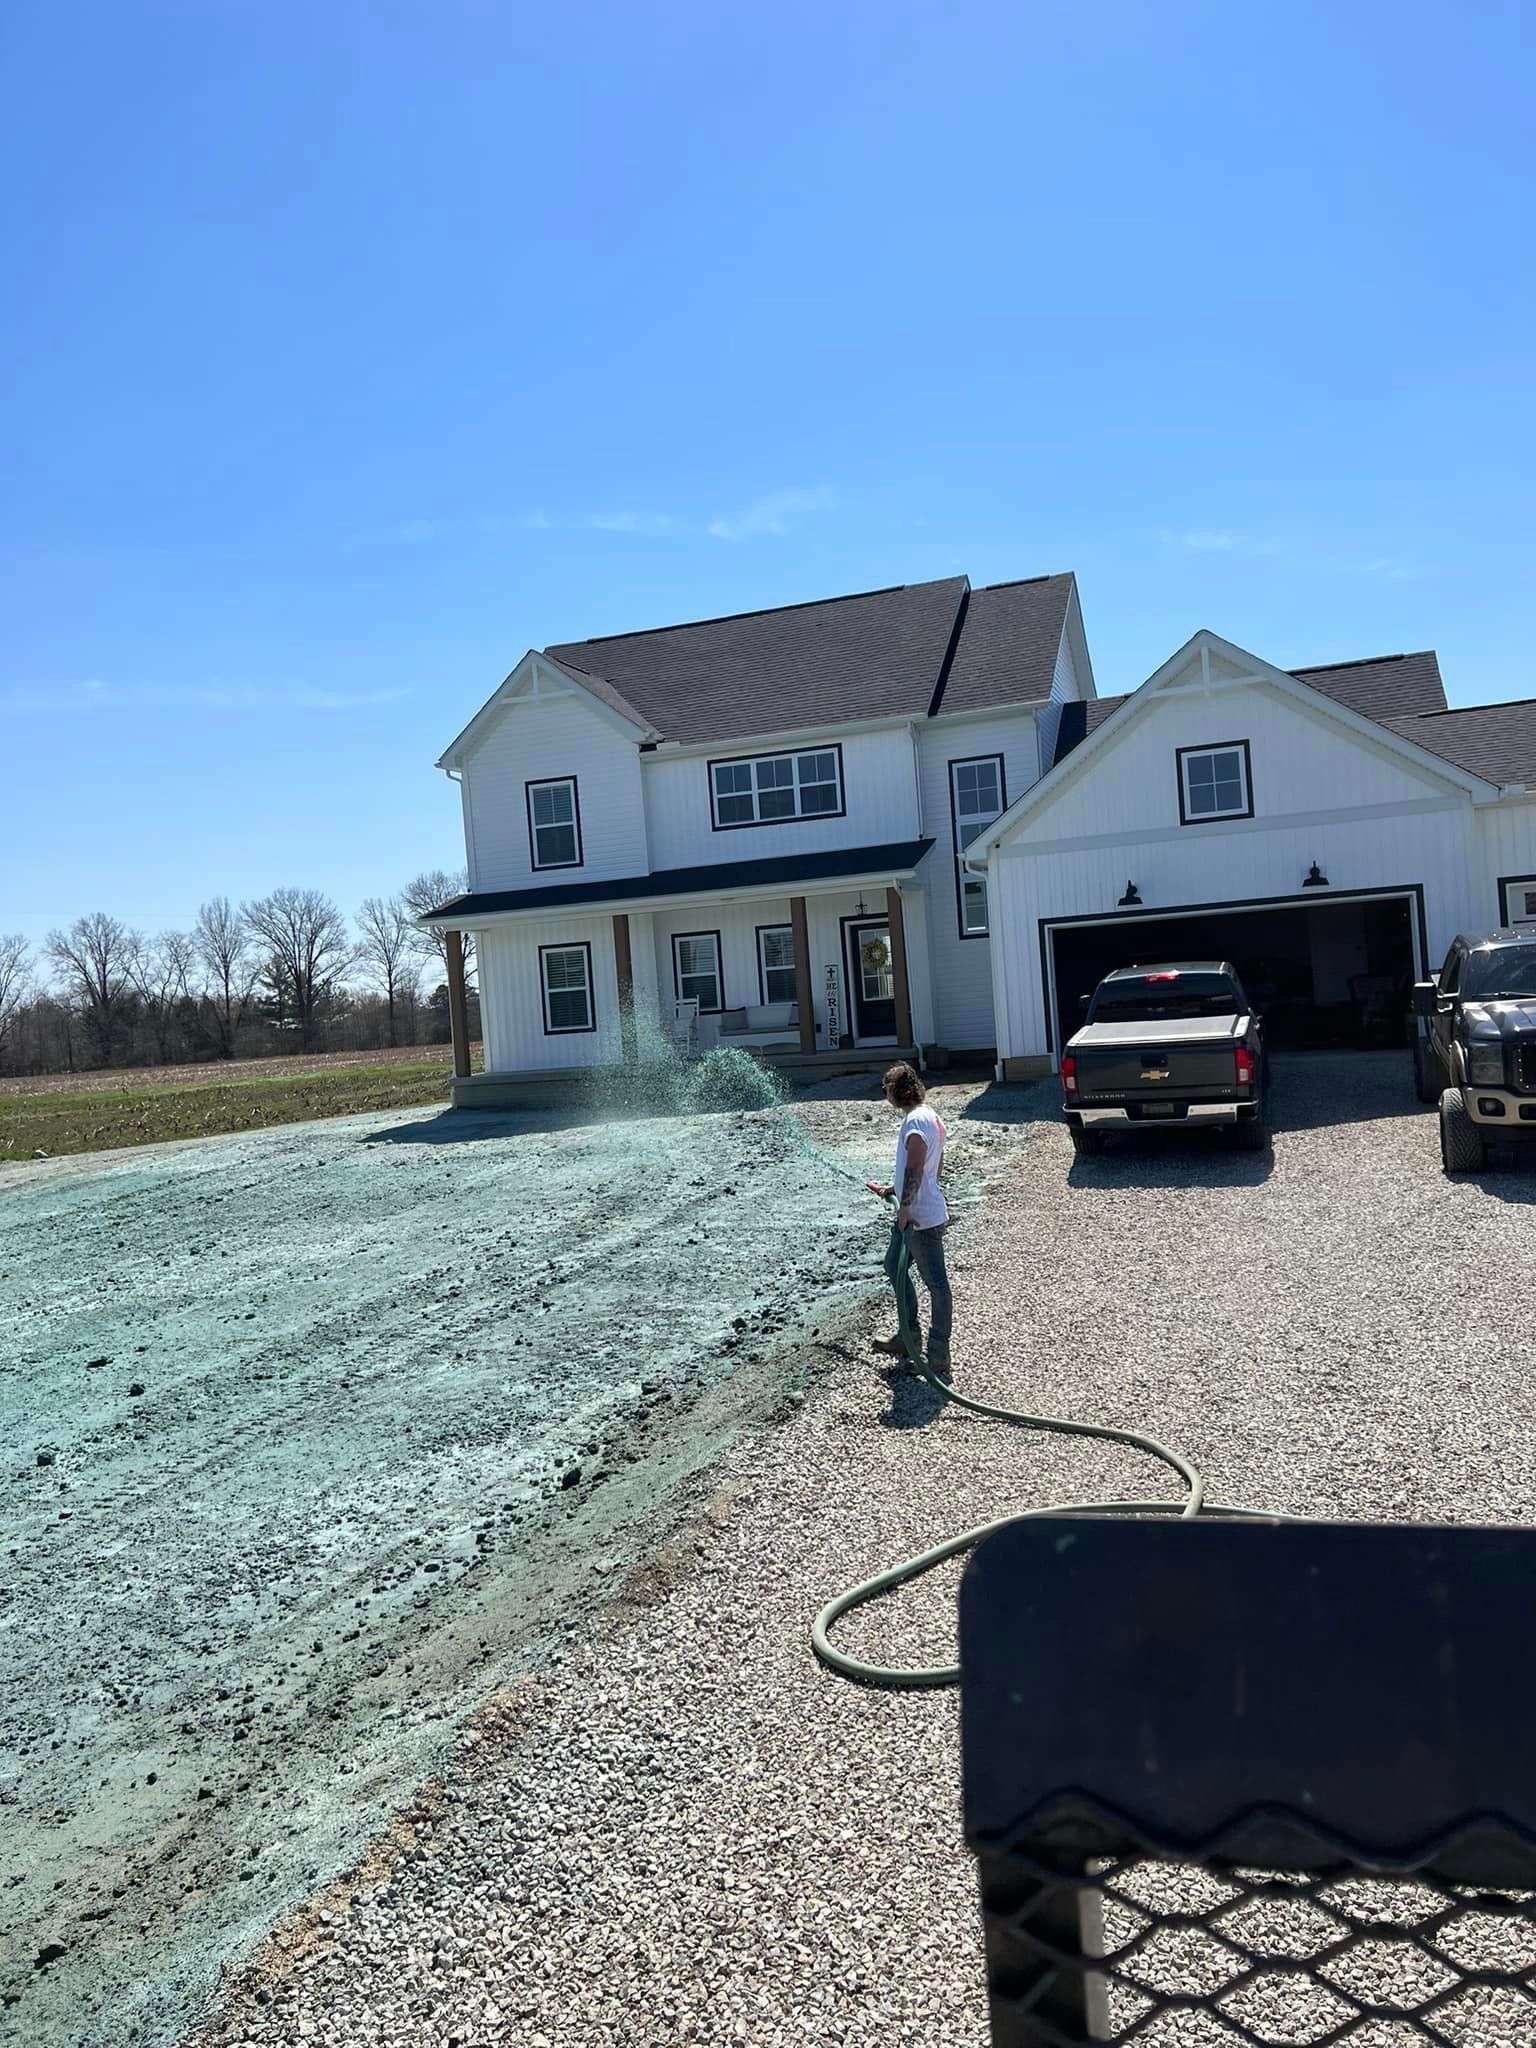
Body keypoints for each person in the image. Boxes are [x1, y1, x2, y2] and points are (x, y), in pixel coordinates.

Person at [871, 1062, 952, 1380]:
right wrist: (897, 1189)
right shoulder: (929, 1116)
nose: (885, 1094)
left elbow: (917, 1166)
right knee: (894, 1266)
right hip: (913, 1213)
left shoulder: (916, 1122)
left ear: (897, 1091)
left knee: (938, 1286)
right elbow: (935, 1168)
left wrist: (905, 1206)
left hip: (920, 1220)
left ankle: (938, 1354)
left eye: (886, 1088)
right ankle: (909, 1336)